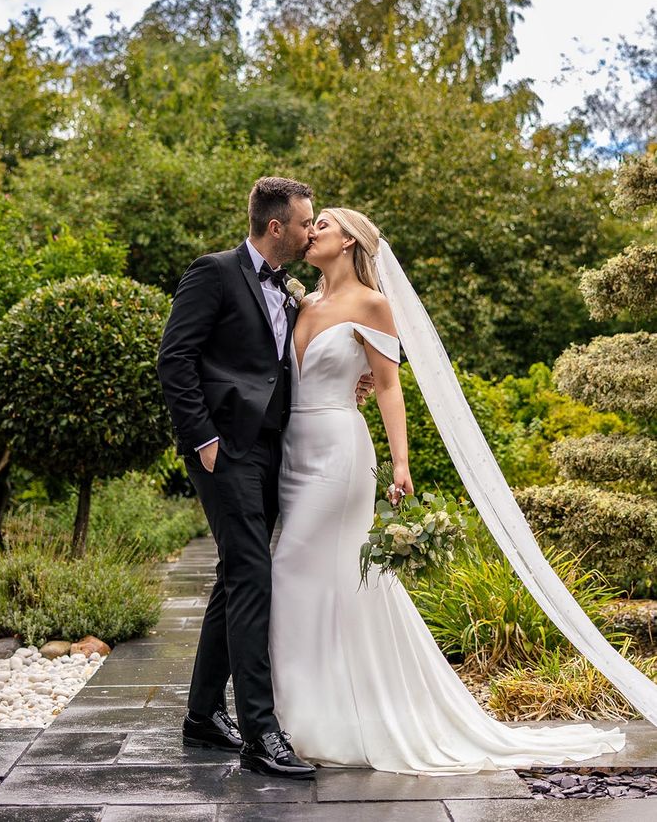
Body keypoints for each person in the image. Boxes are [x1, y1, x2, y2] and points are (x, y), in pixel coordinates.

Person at [269, 206, 629, 775]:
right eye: (311, 227)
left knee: (291, 566)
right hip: (294, 452)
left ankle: (315, 718)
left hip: (340, 454)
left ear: (349, 243)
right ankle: (306, 711)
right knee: (313, 578)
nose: (310, 233)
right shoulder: (304, 304)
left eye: (323, 227)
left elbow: (388, 388)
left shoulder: (373, 305)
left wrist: (401, 464)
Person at [156, 177, 371, 780]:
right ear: (277, 226)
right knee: (252, 575)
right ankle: (261, 733)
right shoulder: (215, 272)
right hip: (223, 452)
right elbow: (175, 357)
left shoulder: (291, 291)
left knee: (234, 576)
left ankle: (201, 716)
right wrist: (203, 439)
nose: (310, 233)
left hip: (277, 453)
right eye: (306, 223)